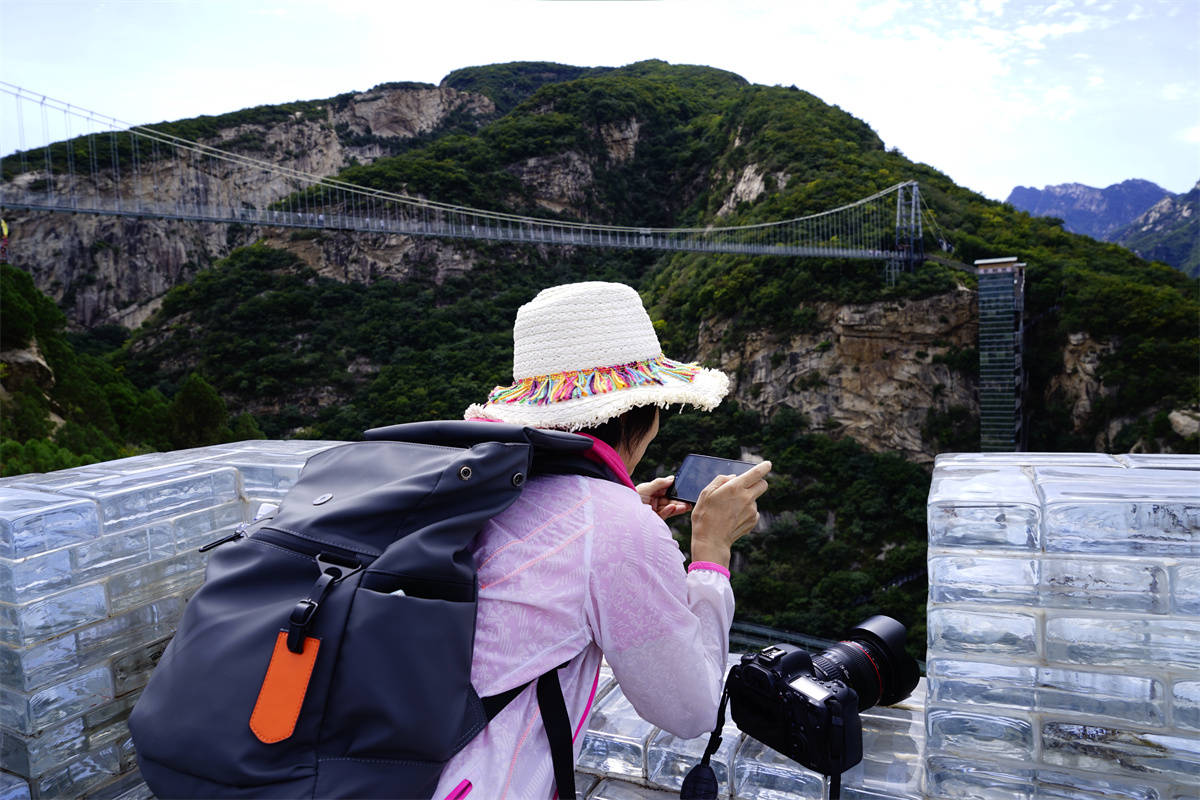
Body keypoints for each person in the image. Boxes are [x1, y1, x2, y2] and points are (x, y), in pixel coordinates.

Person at [434, 281, 771, 800]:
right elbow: (690, 709)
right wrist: (711, 553)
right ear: (644, 411)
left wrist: (620, 511)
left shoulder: (481, 486)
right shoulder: (615, 528)